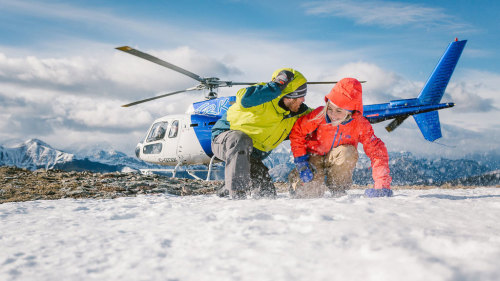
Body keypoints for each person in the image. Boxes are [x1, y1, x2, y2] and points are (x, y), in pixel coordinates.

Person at [211, 68, 311, 199]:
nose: (303, 99)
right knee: (240, 139)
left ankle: (226, 189)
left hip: (251, 156)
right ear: (289, 96)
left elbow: (322, 117)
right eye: (300, 95)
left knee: (267, 195)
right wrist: (277, 85)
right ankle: (237, 198)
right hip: (225, 140)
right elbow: (244, 99)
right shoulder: (260, 99)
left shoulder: (296, 115)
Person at [288, 77, 393, 198]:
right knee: (309, 194)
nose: (332, 115)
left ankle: (338, 189)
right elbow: (297, 131)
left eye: (339, 111)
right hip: (314, 157)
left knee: (348, 152)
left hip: (337, 158)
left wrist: (382, 185)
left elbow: (377, 152)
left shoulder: (360, 124)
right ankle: (297, 183)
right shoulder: (320, 115)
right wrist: (301, 161)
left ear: (350, 111)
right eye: (330, 108)